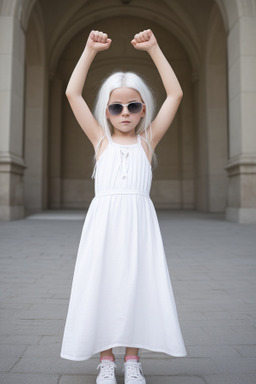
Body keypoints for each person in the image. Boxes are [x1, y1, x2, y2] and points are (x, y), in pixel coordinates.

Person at [60, 29, 187, 384]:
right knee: (104, 285)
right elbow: (72, 93)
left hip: (139, 226)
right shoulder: (100, 141)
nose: (125, 112)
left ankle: (132, 359)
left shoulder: (148, 141)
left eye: (133, 105)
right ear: (107, 112)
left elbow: (175, 93)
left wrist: (155, 49)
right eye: (116, 107)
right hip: (104, 225)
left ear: (143, 109)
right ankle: (105, 361)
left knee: (135, 287)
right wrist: (87, 50)